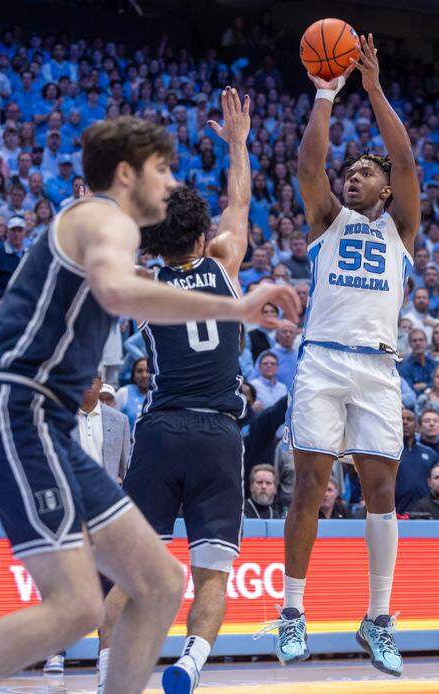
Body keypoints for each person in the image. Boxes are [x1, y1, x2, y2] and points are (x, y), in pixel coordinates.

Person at [0, 115, 297, 694]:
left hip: (46, 425)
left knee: (159, 580)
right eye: (161, 170)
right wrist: (236, 309)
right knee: (74, 606)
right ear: (126, 173)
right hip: (15, 414)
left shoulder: (111, 229)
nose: (170, 184)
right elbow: (118, 290)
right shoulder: (102, 223)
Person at [102, 89, 258, 694]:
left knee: (126, 577)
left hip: (161, 432)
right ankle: (190, 664)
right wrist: (238, 145)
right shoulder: (225, 261)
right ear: (202, 237)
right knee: (212, 575)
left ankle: (106, 684)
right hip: (219, 434)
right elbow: (239, 201)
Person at [275, 35, 419, 677]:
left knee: (381, 490)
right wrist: (327, 95)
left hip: (379, 366)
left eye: (366, 174)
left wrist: (375, 89)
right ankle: (293, 610)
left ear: (386, 191)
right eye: (351, 173)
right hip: (325, 360)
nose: (353, 178)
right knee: (310, 484)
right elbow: (309, 167)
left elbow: (407, 160)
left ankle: (378, 619)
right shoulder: (326, 221)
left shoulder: (401, 227)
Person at [76, 375, 131, 483]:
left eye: (92, 377)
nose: (88, 382)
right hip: (73, 493)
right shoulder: (62, 417)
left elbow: (126, 467)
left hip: (107, 495)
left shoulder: (120, 420)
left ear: (101, 383)